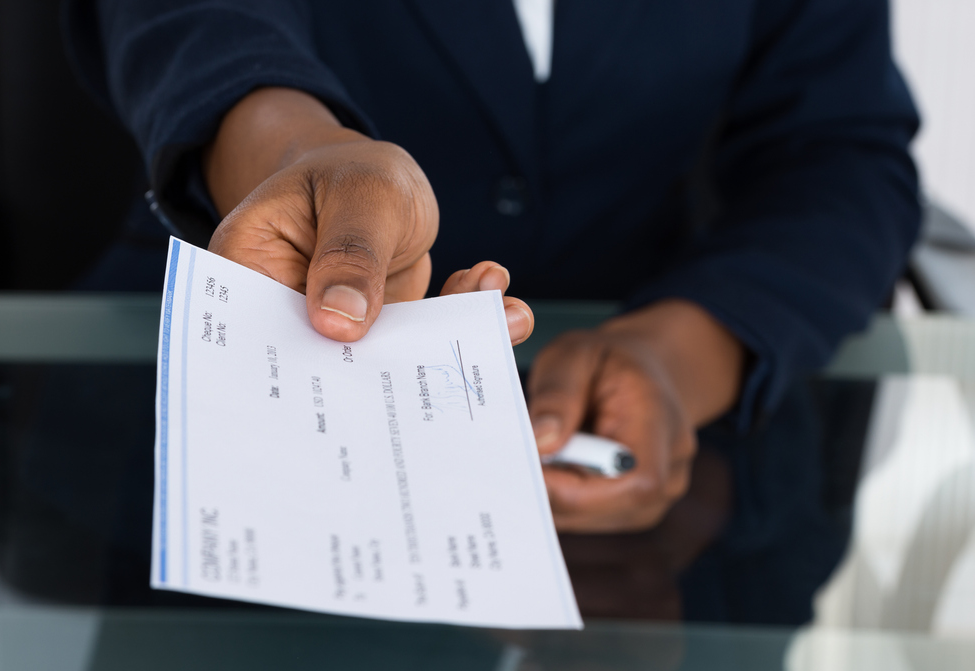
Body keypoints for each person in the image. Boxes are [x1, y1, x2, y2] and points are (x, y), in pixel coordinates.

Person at [64, 0, 920, 532]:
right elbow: (193, 18)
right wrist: (302, 155)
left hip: (670, 522)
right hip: (234, 482)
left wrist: (681, 352)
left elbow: (839, 153)